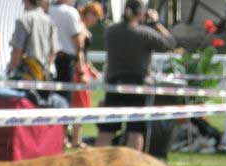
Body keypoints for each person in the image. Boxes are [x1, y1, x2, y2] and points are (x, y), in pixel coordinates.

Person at [94, 0, 175, 152]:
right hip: (138, 86)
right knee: (135, 130)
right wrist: (156, 24)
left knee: (106, 130)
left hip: (114, 84)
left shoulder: (110, 31)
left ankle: (96, 163)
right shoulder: (144, 33)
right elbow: (170, 43)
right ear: (140, 13)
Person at [69, 2, 104, 149]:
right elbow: (80, 51)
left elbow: (84, 54)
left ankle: (76, 138)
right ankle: (75, 139)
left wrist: (91, 69)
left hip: (83, 68)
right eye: (95, 16)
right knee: (79, 104)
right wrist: (82, 71)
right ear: (89, 13)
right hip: (79, 71)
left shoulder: (82, 26)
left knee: (80, 105)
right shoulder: (80, 26)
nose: (96, 20)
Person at [8, 0, 59, 77]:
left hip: (26, 74)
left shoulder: (23, 20)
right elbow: (54, 51)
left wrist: (10, 69)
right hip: (43, 74)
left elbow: (17, 50)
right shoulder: (50, 21)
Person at [49, 0, 84, 104]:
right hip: (66, 61)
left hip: (50, 59)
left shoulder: (48, 10)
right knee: (65, 98)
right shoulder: (71, 12)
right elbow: (78, 42)